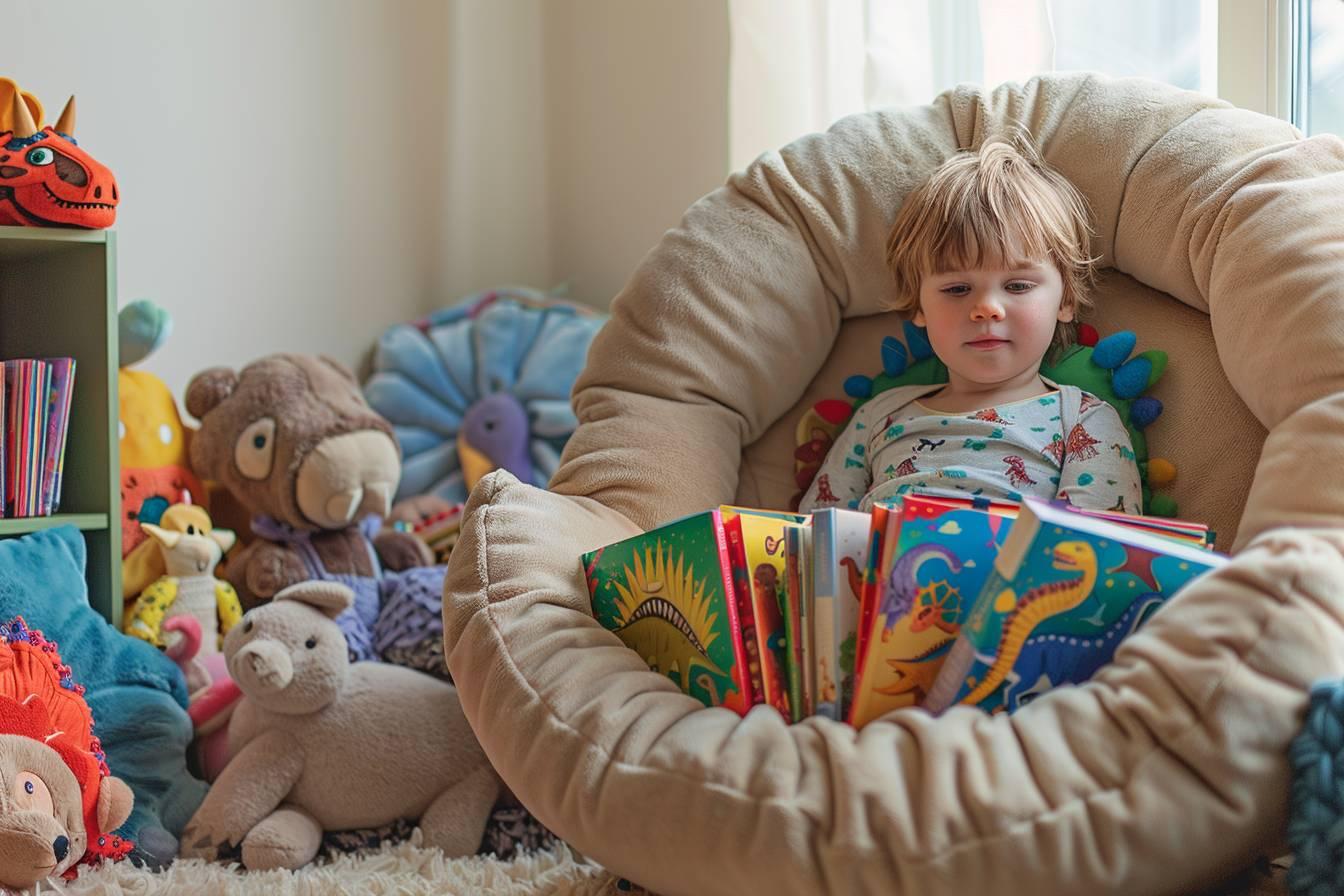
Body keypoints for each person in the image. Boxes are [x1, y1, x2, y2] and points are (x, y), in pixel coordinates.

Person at [800, 139, 1142, 514]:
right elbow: (815, 531)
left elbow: (1097, 550)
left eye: (1017, 286)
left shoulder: (1083, 419)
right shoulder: (878, 415)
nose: (986, 309)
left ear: (1064, 302)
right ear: (919, 304)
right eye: (957, 289)